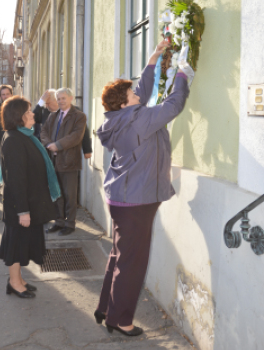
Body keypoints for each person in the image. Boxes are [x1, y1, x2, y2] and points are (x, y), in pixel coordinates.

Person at [94, 40, 190, 336]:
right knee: (132, 263)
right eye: (131, 93)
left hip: (123, 198)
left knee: (120, 256)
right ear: (125, 103)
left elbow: (144, 92)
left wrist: (154, 59)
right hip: (136, 202)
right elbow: (173, 105)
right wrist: (183, 75)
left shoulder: (118, 118)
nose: (138, 93)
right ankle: (121, 320)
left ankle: (106, 309)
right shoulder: (138, 120)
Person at [0, 96, 59, 298]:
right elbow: (16, 180)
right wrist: (23, 211)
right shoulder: (14, 140)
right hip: (19, 206)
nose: (33, 114)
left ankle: (19, 279)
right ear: (18, 117)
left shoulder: (24, 135)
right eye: (28, 112)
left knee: (22, 243)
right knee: (16, 245)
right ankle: (14, 283)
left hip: (28, 202)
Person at [41, 88, 87, 236]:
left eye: (63, 98)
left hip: (69, 161)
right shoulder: (53, 116)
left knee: (70, 195)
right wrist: (49, 144)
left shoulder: (79, 116)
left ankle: (70, 224)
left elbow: (76, 136)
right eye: (58, 98)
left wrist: (58, 145)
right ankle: (59, 222)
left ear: (71, 98)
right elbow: (43, 132)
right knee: (56, 193)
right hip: (52, 161)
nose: (61, 101)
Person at [33, 89, 92, 159]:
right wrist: (41, 102)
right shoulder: (45, 113)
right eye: (45, 104)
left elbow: (83, 131)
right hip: (48, 155)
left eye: (48, 103)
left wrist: (87, 150)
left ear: (56, 101)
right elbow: (33, 118)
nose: (46, 106)